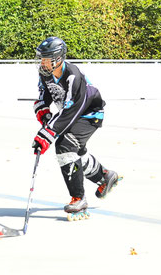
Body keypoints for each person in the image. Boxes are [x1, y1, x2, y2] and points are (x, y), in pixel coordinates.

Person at [31, 37, 120, 220]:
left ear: (59, 58)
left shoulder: (73, 75)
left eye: (47, 58)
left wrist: (47, 133)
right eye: (41, 58)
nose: (43, 62)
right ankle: (104, 176)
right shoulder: (45, 73)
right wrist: (43, 112)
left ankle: (78, 199)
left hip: (89, 114)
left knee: (65, 146)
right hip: (71, 114)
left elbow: (71, 110)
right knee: (75, 151)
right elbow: (43, 97)